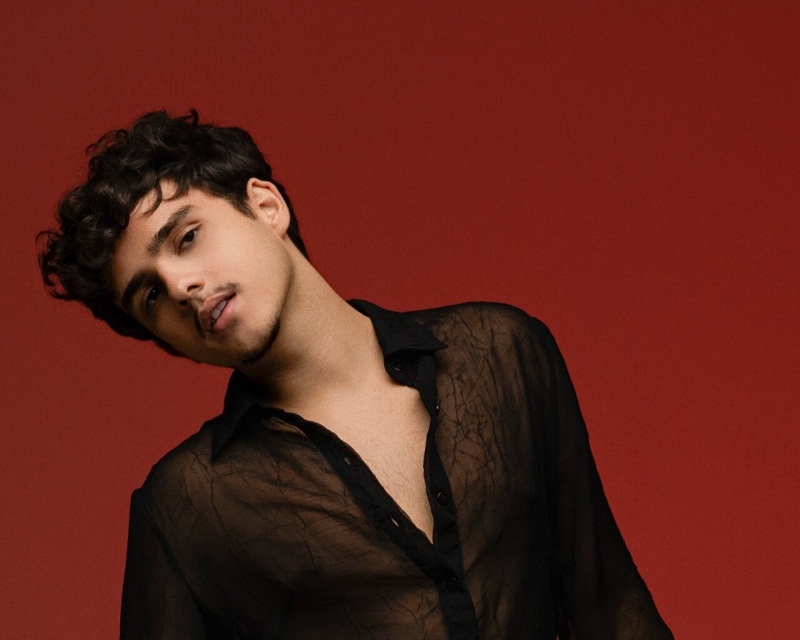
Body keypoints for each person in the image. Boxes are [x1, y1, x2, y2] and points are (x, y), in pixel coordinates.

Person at [39, 110, 673, 639]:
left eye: (186, 238)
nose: (181, 286)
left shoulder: (500, 352)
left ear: (265, 205)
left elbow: (612, 607)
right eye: (150, 295)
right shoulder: (186, 503)